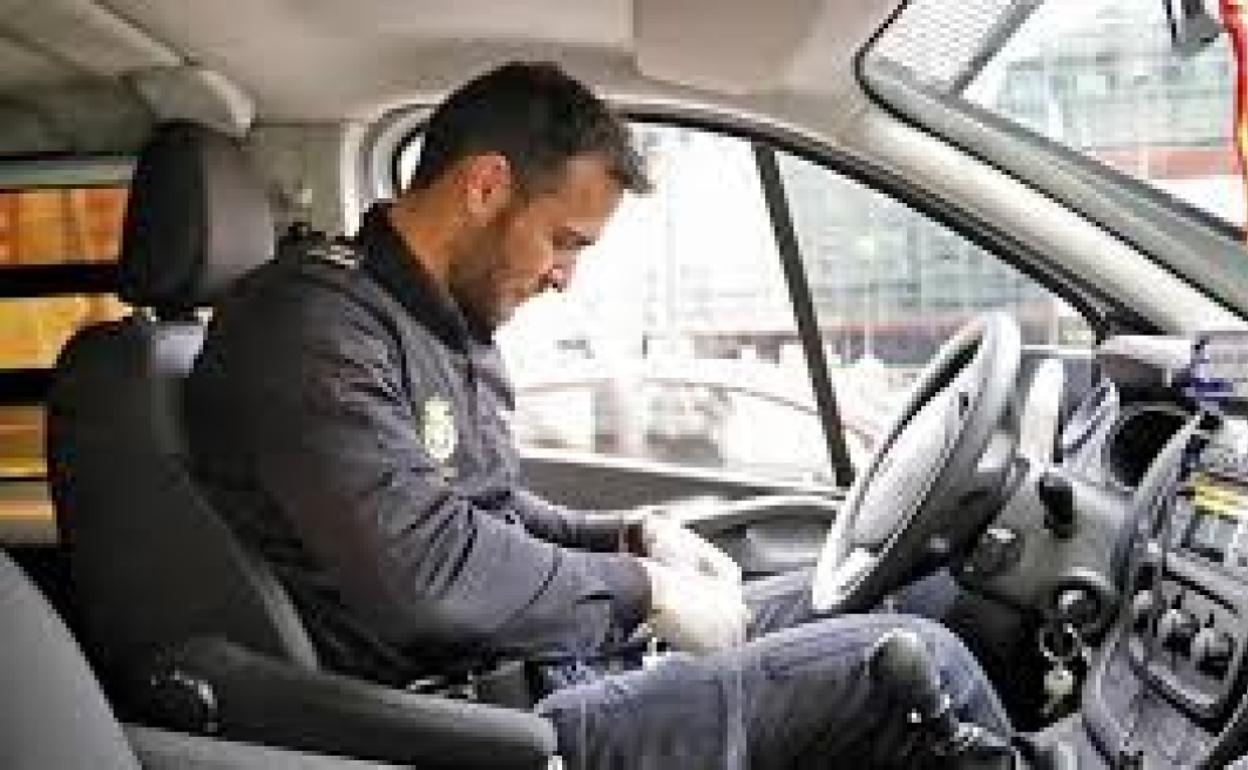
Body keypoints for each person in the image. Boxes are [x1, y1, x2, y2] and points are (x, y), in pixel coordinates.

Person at [185, 61, 1011, 768]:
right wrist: (642, 592)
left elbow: (488, 509)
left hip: (536, 667)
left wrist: (625, 538)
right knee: (913, 667)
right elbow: (425, 573)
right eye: (565, 240)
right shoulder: (310, 330)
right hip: (478, 731)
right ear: (484, 187)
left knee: (915, 598)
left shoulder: (439, 324)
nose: (564, 277)